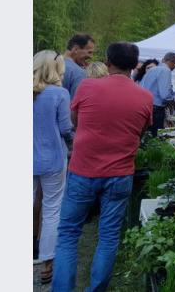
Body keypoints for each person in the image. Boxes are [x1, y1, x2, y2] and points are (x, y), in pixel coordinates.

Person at [52, 42, 153, 292]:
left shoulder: (88, 86)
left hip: (83, 170)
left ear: (108, 61)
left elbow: (75, 121)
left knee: (67, 234)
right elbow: (141, 131)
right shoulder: (145, 96)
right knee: (108, 236)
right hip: (120, 175)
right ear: (134, 65)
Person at [33, 50, 73, 284]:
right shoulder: (59, 93)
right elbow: (66, 128)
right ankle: (47, 262)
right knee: (51, 209)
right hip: (52, 157)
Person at [140, 52, 175, 136]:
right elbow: (165, 95)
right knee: (154, 137)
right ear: (174, 63)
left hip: (144, 107)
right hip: (156, 110)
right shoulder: (166, 70)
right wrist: (173, 100)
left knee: (144, 136)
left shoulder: (152, 69)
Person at [62, 34, 95, 100]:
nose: (91, 57)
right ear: (76, 49)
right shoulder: (78, 73)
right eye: (89, 52)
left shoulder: (49, 64)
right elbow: (76, 104)